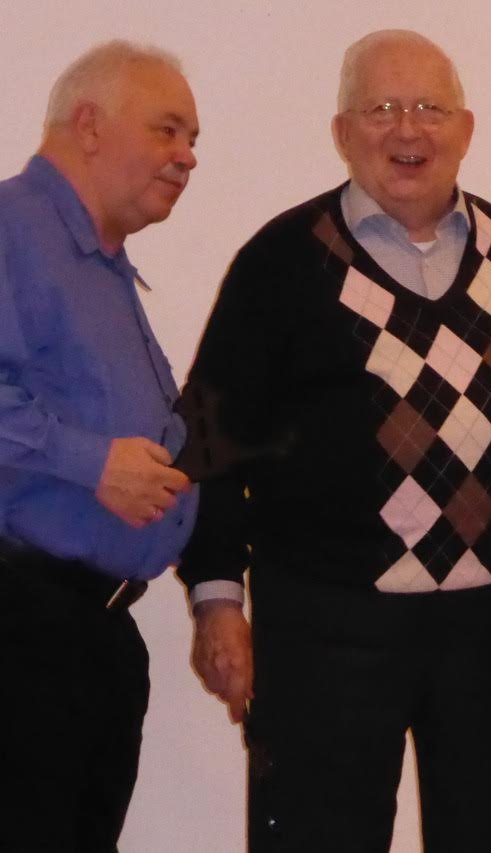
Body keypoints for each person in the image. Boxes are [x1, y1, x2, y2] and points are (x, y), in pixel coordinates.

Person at [177, 29, 491, 853]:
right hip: (325, 636)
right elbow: (207, 444)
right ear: (343, 132)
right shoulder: (281, 263)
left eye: (429, 108)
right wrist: (216, 597)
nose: (408, 129)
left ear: (466, 129)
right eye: (381, 108)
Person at [0, 40, 199, 852]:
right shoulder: (11, 229)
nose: (187, 156)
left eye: (193, 139)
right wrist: (95, 463)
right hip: (22, 628)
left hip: (93, 635)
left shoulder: (102, 265)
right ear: (88, 125)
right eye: (167, 129)